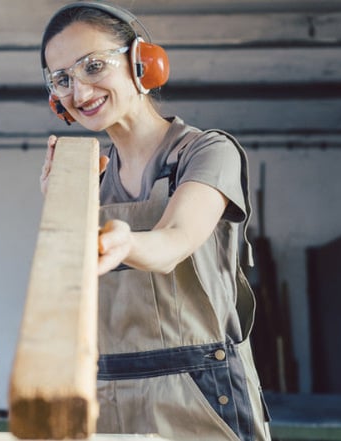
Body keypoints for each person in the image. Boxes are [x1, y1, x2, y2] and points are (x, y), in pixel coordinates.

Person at [38, 2, 271, 440]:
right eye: (63, 79)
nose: (80, 90)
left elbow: (176, 239)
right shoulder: (87, 178)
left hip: (200, 391)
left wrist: (127, 244)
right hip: (107, 391)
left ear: (143, 62)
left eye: (93, 66)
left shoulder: (205, 152)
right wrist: (63, 210)